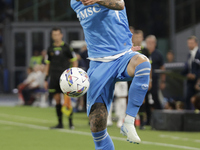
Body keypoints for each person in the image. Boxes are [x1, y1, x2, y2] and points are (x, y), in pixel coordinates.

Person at [71, 0, 151, 149]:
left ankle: (129, 121)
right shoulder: (74, 3)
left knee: (143, 63)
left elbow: (120, 4)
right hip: (98, 65)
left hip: (122, 56)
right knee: (97, 127)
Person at [44, 27, 78, 129]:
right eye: (54, 35)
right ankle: (60, 123)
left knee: (67, 100)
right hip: (54, 77)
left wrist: (73, 74)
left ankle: (71, 123)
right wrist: (46, 78)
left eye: (58, 34)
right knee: (57, 100)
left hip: (65, 78)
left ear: (61, 35)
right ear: (52, 36)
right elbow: (48, 64)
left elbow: (74, 61)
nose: (56, 37)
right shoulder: (50, 48)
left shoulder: (67, 47)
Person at [146, 35, 165, 110]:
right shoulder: (143, 52)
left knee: (155, 97)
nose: (150, 44)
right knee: (145, 99)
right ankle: (147, 118)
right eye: (148, 42)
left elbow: (162, 68)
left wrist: (163, 81)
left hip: (155, 80)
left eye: (152, 42)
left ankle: (160, 114)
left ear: (155, 44)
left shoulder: (158, 54)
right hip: (144, 79)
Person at [182, 36, 200, 109]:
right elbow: (187, 68)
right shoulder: (189, 55)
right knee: (187, 99)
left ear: (196, 43)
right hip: (190, 82)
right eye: (188, 43)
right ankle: (189, 118)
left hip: (197, 82)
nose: (189, 45)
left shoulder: (199, 54)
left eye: (191, 43)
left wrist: (195, 75)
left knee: (197, 100)